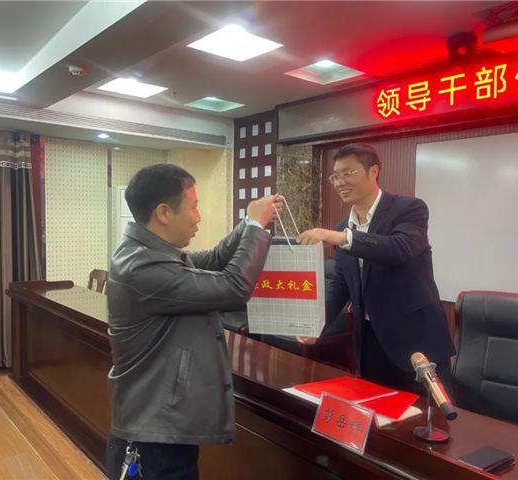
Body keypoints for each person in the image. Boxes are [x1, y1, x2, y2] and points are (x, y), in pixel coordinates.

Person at [106, 163, 282, 480]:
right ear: (164, 213)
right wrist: (256, 226)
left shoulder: (151, 253)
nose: (198, 217)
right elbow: (233, 287)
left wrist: (248, 223)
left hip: (160, 422)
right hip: (154, 434)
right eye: (193, 207)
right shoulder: (142, 266)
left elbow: (214, 259)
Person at [297, 143, 455, 395]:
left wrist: (343, 238)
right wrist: (316, 325)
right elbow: (341, 283)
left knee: (428, 414)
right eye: (335, 176)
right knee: (377, 408)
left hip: (416, 340)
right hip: (370, 341)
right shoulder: (342, 227)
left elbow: (400, 248)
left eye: (348, 173)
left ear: (373, 171)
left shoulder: (409, 208)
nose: (340, 182)